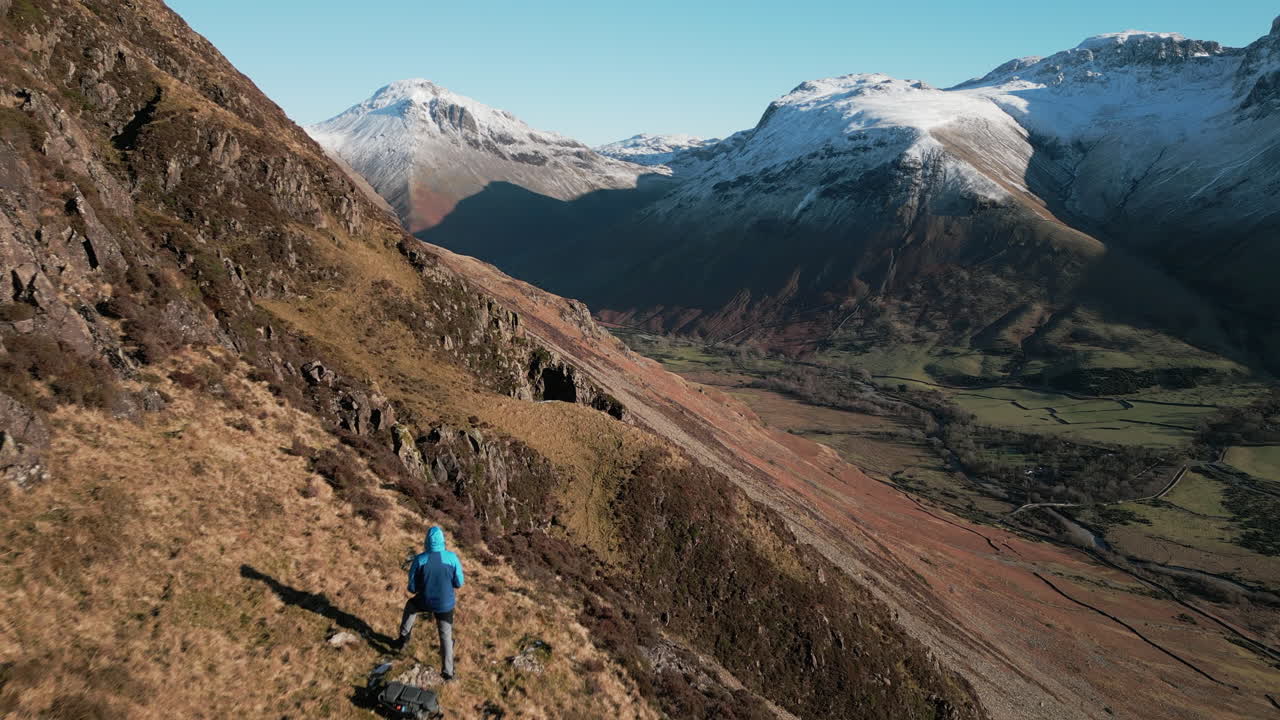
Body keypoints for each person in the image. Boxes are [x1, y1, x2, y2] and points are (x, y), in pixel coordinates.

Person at [395, 526, 465, 679]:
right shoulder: (452, 558)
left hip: (425, 599)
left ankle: (403, 638)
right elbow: (459, 583)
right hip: (445, 603)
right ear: (443, 541)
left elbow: (412, 587)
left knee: (411, 606)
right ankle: (448, 673)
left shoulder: (420, 559)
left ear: (426, 541)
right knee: (446, 636)